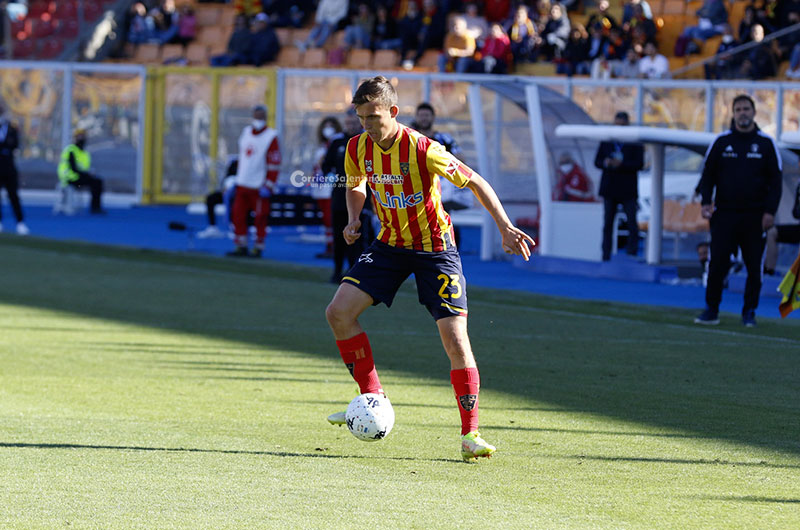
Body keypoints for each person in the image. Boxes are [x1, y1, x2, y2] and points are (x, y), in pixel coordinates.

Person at [323, 76, 535, 462]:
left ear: (393, 112)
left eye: (373, 117)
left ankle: (470, 434)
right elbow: (356, 184)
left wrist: (505, 227)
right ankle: (371, 398)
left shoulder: (423, 149)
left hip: (435, 249)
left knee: (456, 340)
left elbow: (476, 181)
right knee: (338, 313)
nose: (367, 125)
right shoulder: (356, 147)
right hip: (389, 245)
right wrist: (354, 218)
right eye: (361, 117)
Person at [694, 95, 782, 327]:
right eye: (738, 109)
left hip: (755, 216)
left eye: (746, 109)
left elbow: (776, 182)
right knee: (717, 263)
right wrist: (706, 202)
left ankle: (749, 312)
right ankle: (711, 310)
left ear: (754, 112)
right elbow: (707, 175)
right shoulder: (721, 141)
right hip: (725, 214)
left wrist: (770, 212)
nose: (743, 113)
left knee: (754, 266)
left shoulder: (766, 144)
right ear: (733, 114)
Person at [320, 110, 370, 282]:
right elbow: (326, 165)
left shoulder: (368, 141)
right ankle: (337, 271)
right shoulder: (337, 142)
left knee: (358, 238)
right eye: (348, 123)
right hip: (340, 197)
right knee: (339, 236)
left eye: (354, 123)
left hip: (361, 198)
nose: (351, 126)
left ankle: (354, 273)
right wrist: (330, 176)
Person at [227, 105, 281, 258]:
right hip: (242, 183)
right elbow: (242, 157)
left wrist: (269, 184)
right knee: (237, 215)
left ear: (266, 117)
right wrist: (235, 178)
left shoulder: (271, 136)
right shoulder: (246, 132)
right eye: (256, 116)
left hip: (258, 185)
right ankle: (241, 244)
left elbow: (274, 163)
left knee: (260, 218)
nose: (258, 120)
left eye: (261, 117)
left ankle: (258, 246)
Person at [594, 111, 644, 261]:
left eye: (622, 125)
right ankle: (605, 254)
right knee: (608, 223)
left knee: (631, 223)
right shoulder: (607, 141)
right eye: (617, 125)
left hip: (628, 189)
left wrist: (621, 164)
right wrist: (607, 163)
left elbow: (639, 164)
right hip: (610, 188)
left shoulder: (635, 142)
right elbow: (597, 161)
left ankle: (632, 253)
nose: (619, 128)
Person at [312, 116, 343, 259]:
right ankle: (329, 246)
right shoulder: (321, 147)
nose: (328, 129)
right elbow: (317, 166)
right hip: (320, 188)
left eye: (331, 126)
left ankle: (335, 247)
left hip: (332, 187)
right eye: (326, 126)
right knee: (326, 219)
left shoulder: (337, 145)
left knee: (332, 219)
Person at [57, 129, 105, 215]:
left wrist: (89, 174)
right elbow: (73, 168)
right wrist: (87, 175)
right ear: (75, 138)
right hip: (69, 179)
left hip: (79, 178)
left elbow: (84, 168)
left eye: (83, 136)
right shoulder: (71, 150)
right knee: (95, 182)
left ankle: (95, 207)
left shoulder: (85, 153)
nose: (81, 139)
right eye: (79, 137)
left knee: (97, 181)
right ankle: (95, 207)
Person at [0, 105, 28, 235]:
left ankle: (20, 222)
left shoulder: (12, 128)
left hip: (9, 167)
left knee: (13, 196)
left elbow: (14, 144)